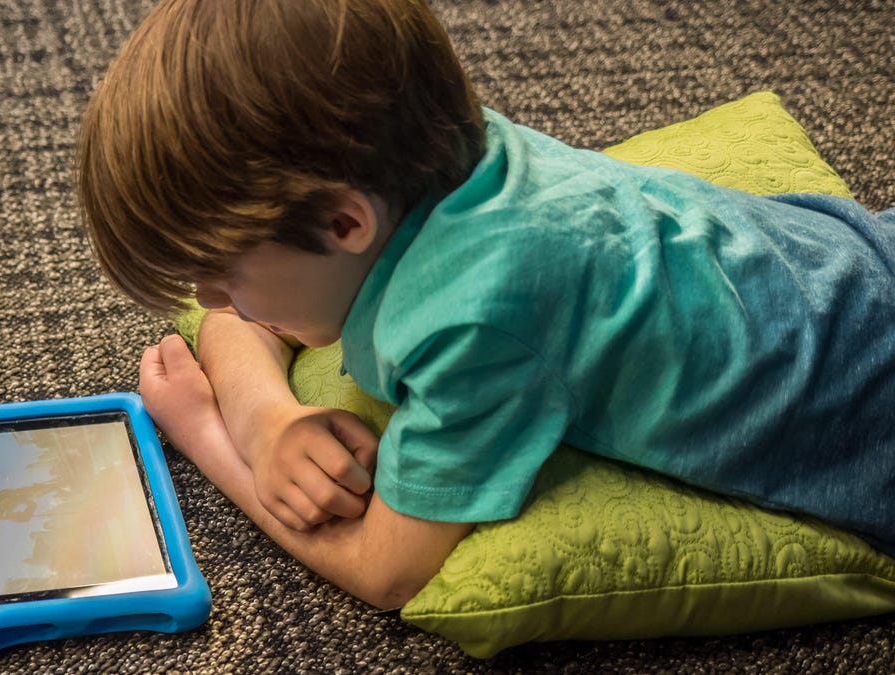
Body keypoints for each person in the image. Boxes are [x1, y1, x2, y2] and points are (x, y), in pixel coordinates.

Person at [75, 0, 895, 608]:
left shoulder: (473, 324)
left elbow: (385, 570)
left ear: (342, 221)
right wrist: (268, 421)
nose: (208, 301)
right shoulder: (439, 149)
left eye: (222, 272)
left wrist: (208, 434)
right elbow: (240, 321)